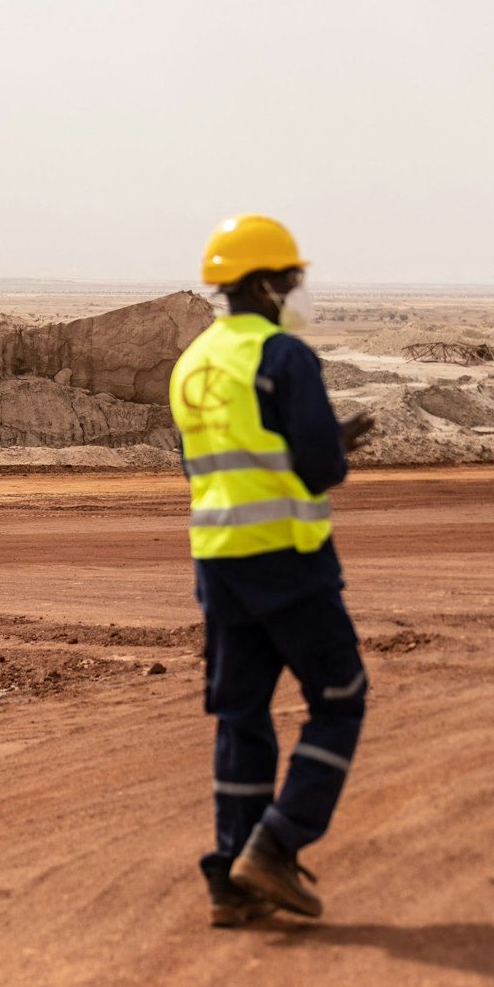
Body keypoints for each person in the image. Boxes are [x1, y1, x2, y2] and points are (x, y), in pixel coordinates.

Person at [168, 215, 374, 925]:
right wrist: (335, 445)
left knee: (241, 714)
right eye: (290, 278)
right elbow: (316, 467)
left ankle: (230, 877)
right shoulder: (282, 357)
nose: (297, 290)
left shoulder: (191, 363)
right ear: (263, 281)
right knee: (340, 698)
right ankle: (277, 844)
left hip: (218, 566)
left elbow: (223, 460)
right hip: (287, 562)